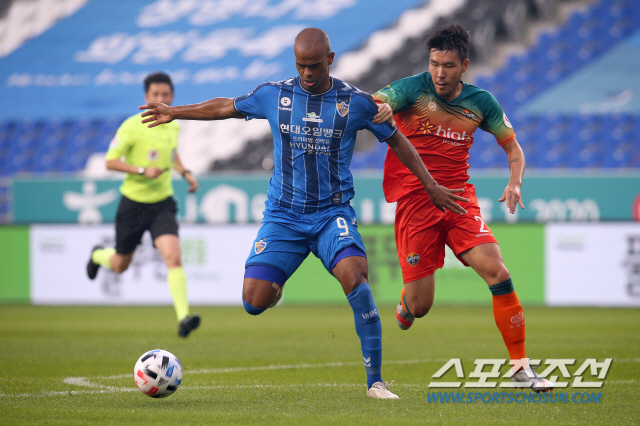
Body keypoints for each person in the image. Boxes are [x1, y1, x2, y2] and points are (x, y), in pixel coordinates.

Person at [139, 28, 467, 399]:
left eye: (314, 65)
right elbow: (226, 107)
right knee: (253, 303)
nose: (307, 73)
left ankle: (375, 382)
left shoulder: (355, 103)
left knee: (357, 278)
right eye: (301, 66)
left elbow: (397, 140)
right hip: (283, 216)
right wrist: (174, 112)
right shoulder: (274, 95)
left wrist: (430, 185)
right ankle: (275, 285)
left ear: (330, 59)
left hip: (331, 215)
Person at [372, 24, 554, 392]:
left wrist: (515, 182)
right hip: (416, 203)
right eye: (434, 64)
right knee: (420, 306)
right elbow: (380, 100)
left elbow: (513, 147)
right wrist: (382, 107)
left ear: (465, 65)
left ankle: (521, 367)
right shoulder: (412, 89)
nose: (440, 73)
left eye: (449, 66)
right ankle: (407, 305)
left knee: (498, 272)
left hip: (458, 201)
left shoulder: (481, 102)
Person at [86, 72, 202, 338]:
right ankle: (97, 255)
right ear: (146, 97)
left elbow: (172, 154)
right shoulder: (131, 126)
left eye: (165, 94)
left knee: (173, 256)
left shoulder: (173, 125)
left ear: (172, 96)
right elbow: (110, 162)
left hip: (162, 204)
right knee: (120, 264)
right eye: (155, 94)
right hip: (134, 205)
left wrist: (185, 173)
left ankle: (183, 317)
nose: (160, 98)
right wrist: (141, 170)